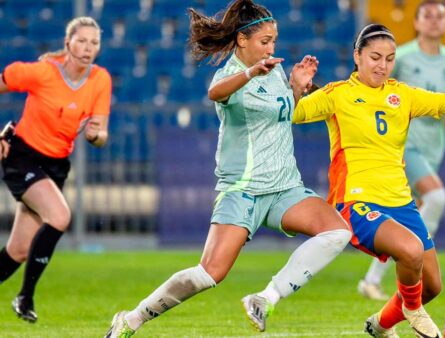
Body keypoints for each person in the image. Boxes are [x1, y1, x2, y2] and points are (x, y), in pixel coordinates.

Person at [105, 1, 351, 336]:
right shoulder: (232, 76)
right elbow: (213, 92)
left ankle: (265, 298)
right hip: (243, 189)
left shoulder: (274, 68)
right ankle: (131, 319)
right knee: (209, 274)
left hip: (283, 187)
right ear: (242, 40)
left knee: (337, 232)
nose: (271, 47)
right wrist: (251, 73)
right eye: (265, 41)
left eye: (274, 40)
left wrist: (295, 87)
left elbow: (280, 117)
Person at [290, 23, 445, 338]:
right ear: (357, 56)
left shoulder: (402, 95)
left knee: (431, 285)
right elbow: (294, 114)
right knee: (411, 251)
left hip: (401, 201)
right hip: (356, 200)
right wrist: (296, 88)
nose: (382, 65)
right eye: (375, 57)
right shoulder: (338, 94)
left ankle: (380, 325)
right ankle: (413, 310)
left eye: (389, 59)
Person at [0, 17, 111, 323]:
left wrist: (95, 136)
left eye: (94, 42)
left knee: (19, 250)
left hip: (55, 165)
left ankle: (23, 297)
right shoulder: (42, 73)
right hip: (22, 156)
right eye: (82, 41)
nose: (88, 48)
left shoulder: (100, 80)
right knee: (60, 216)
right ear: (67, 43)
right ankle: (25, 298)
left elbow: (101, 135)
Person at [358, 0, 445, 301]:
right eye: (427, 15)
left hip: (434, 147)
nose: (433, 21)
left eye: (439, 16)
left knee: (407, 215)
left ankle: (371, 280)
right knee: (437, 197)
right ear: (416, 22)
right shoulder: (399, 57)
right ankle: (415, 260)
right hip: (404, 145)